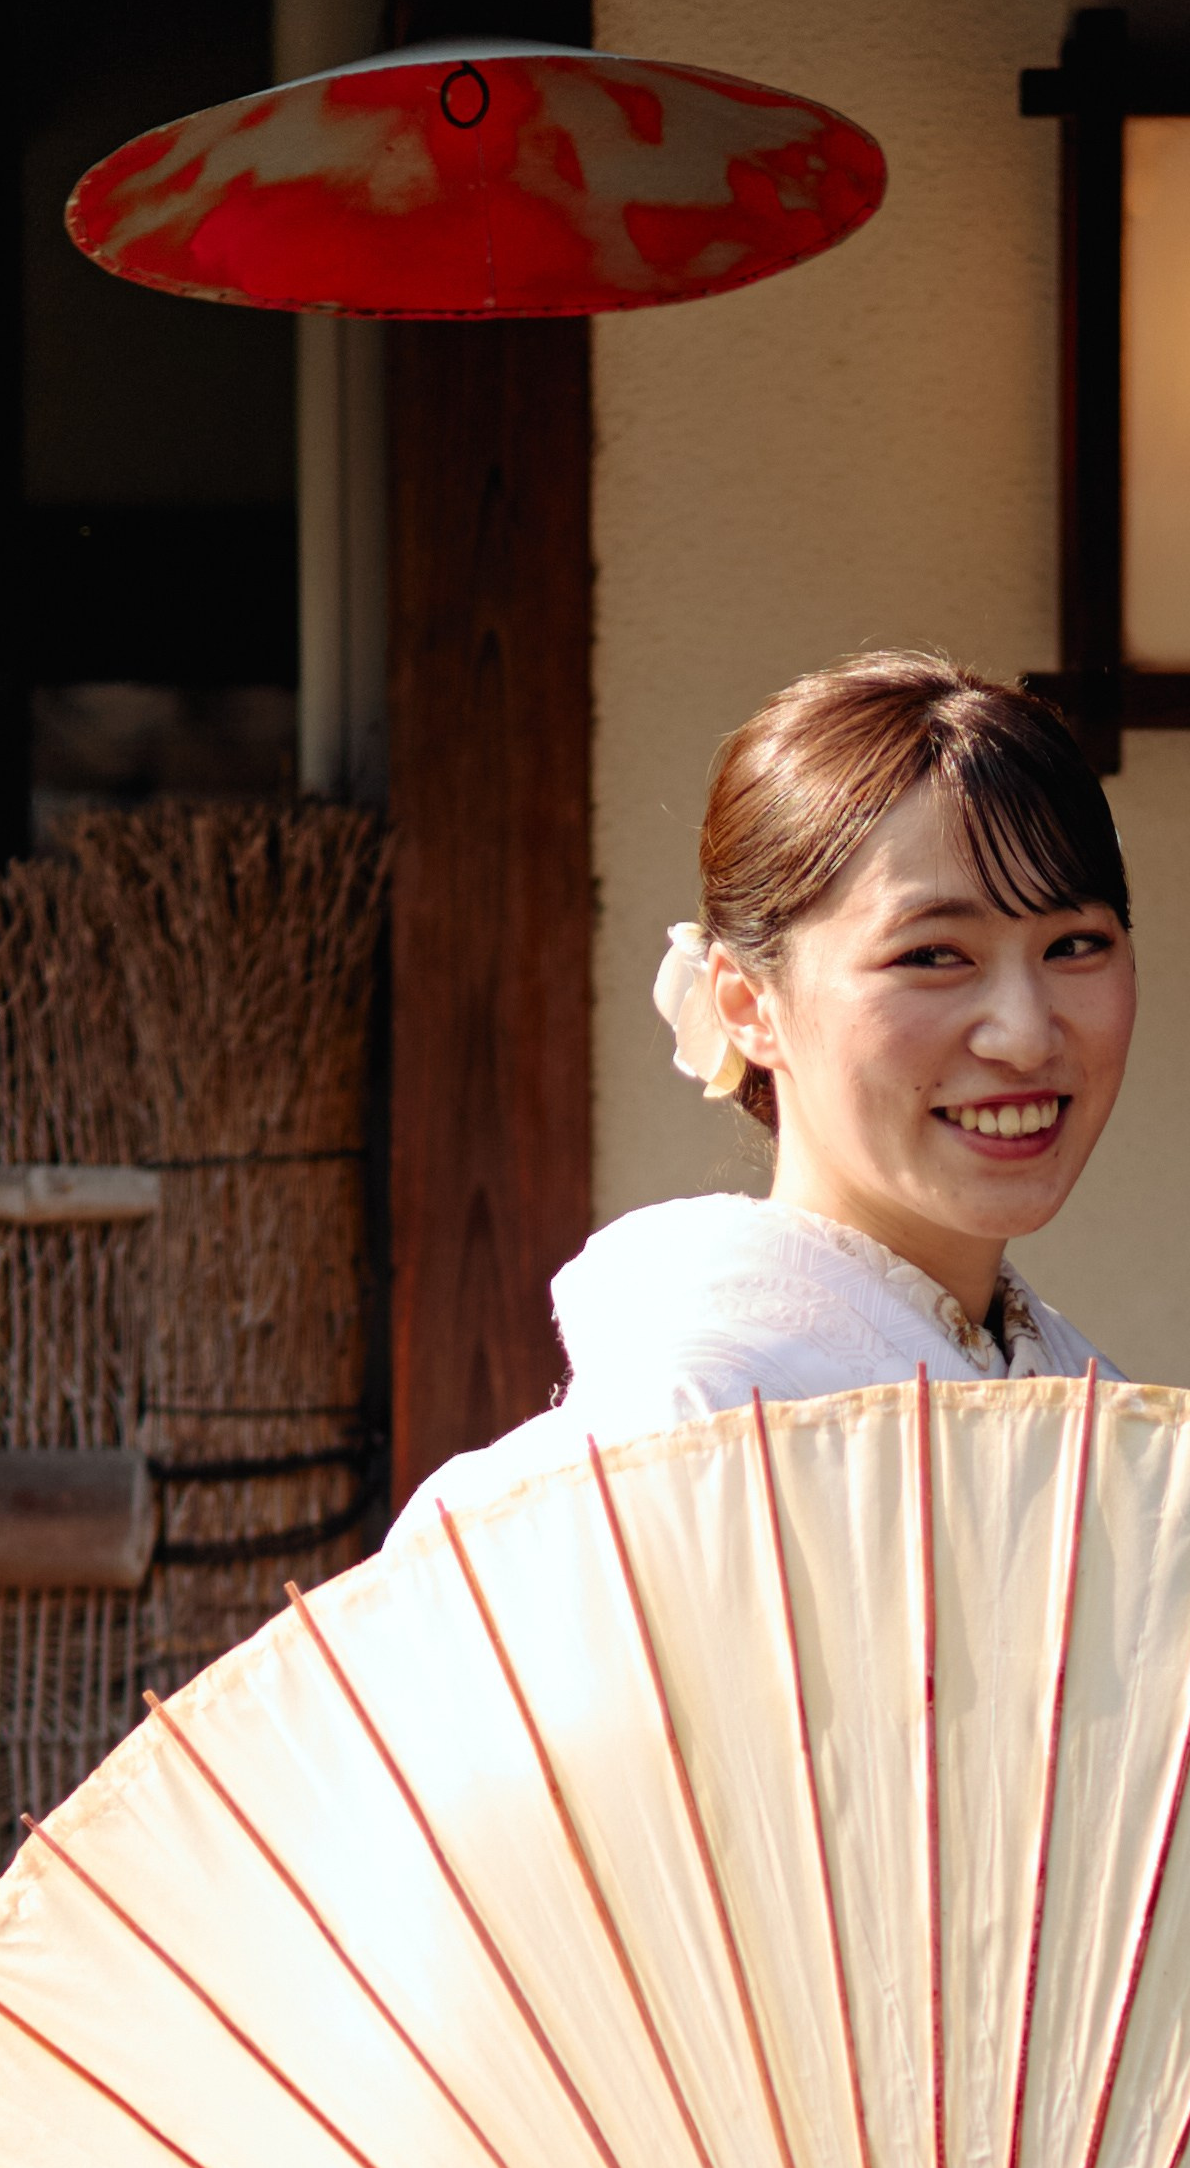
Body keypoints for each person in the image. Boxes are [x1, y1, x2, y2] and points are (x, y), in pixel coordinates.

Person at [391, 650, 1136, 1537]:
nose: (1024, 1032)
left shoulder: (1099, 1410)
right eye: (933, 955)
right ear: (747, 1005)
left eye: (1075, 945)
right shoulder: (687, 1424)